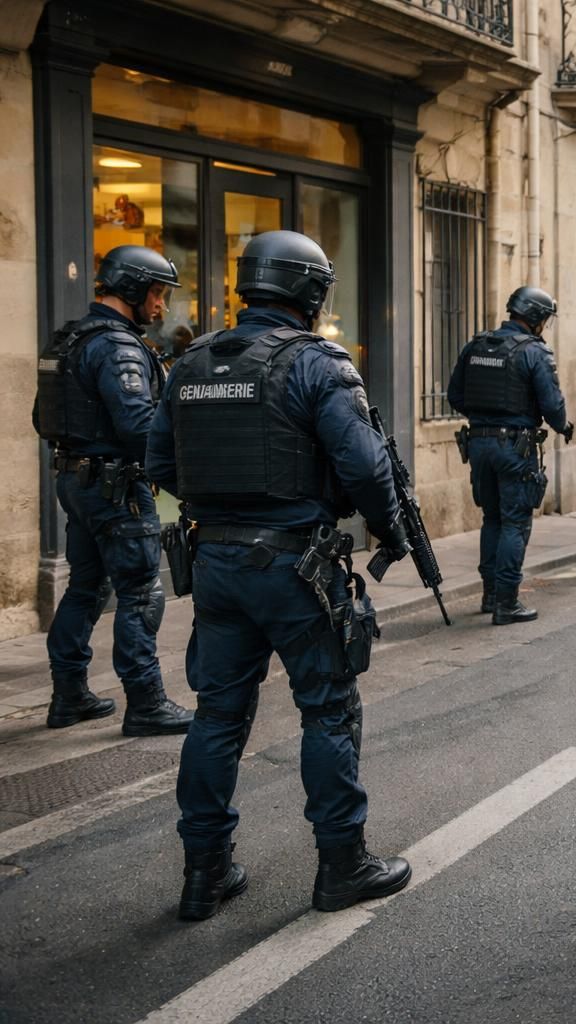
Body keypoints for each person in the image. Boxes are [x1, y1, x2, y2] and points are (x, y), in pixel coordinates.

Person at [146, 230, 414, 921]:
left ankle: (203, 877)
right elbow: (364, 466)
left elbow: (161, 465)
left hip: (214, 564)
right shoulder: (318, 364)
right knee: (327, 709)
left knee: (217, 717)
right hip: (295, 566)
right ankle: (342, 866)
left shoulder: (191, 361)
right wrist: (388, 529)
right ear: (311, 290)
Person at [33, 245, 193, 736]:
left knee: (86, 588)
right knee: (141, 592)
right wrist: (183, 477)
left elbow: (41, 419)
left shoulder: (72, 338)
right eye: (158, 294)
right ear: (132, 289)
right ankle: (145, 703)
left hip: (76, 482)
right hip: (115, 488)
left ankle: (69, 695)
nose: (161, 306)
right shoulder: (119, 347)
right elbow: (139, 428)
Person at [447, 286, 573, 624]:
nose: (545, 325)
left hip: (478, 445)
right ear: (534, 317)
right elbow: (552, 405)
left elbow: (454, 396)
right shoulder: (534, 352)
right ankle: (507, 602)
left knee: (492, 519)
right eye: (544, 319)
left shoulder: (475, 345)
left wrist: (485, 417)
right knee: (515, 523)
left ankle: (490, 595)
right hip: (514, 448)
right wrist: (564, 425)